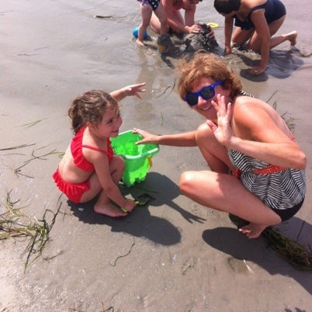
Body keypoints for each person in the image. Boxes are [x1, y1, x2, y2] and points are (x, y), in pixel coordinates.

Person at [133, 52, 306, 238]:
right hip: (259, 180)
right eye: (192, 99)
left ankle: (260, 219)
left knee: (188, 183)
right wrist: (157, 139)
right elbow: (198, 137)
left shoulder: (246, 111)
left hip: (281, 202)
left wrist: (232, 142)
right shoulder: (226, 109)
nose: (200, 102)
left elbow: (297, 158)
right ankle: (238, 197)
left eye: (206, 92)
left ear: (227, 86)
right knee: (204, 133)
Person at [53, 83, 146, 217]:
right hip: (78, 193)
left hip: (66, 179)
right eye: (109, 122)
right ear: (92, 123)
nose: (117, 123)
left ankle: (101, 197)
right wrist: (124, 203)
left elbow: (107, 104)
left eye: (118, 115)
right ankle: (102, 204)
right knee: (118, 163)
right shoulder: (96, 151)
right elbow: (108, 186)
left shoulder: (87, 120)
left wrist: (125, 92)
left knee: (112, 159)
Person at [213, 0, 297, 76]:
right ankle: (257, 27)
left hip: (274, 15)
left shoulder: (255, 12)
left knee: (254, 48)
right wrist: (227, 46)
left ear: (234, 11)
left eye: (223, 14)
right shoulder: (230, 5)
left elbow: (266, 40)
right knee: (235, 43)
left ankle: (289, 36)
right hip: (249, 14)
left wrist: (262, 66)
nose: (222, 16)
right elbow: (228, 21)